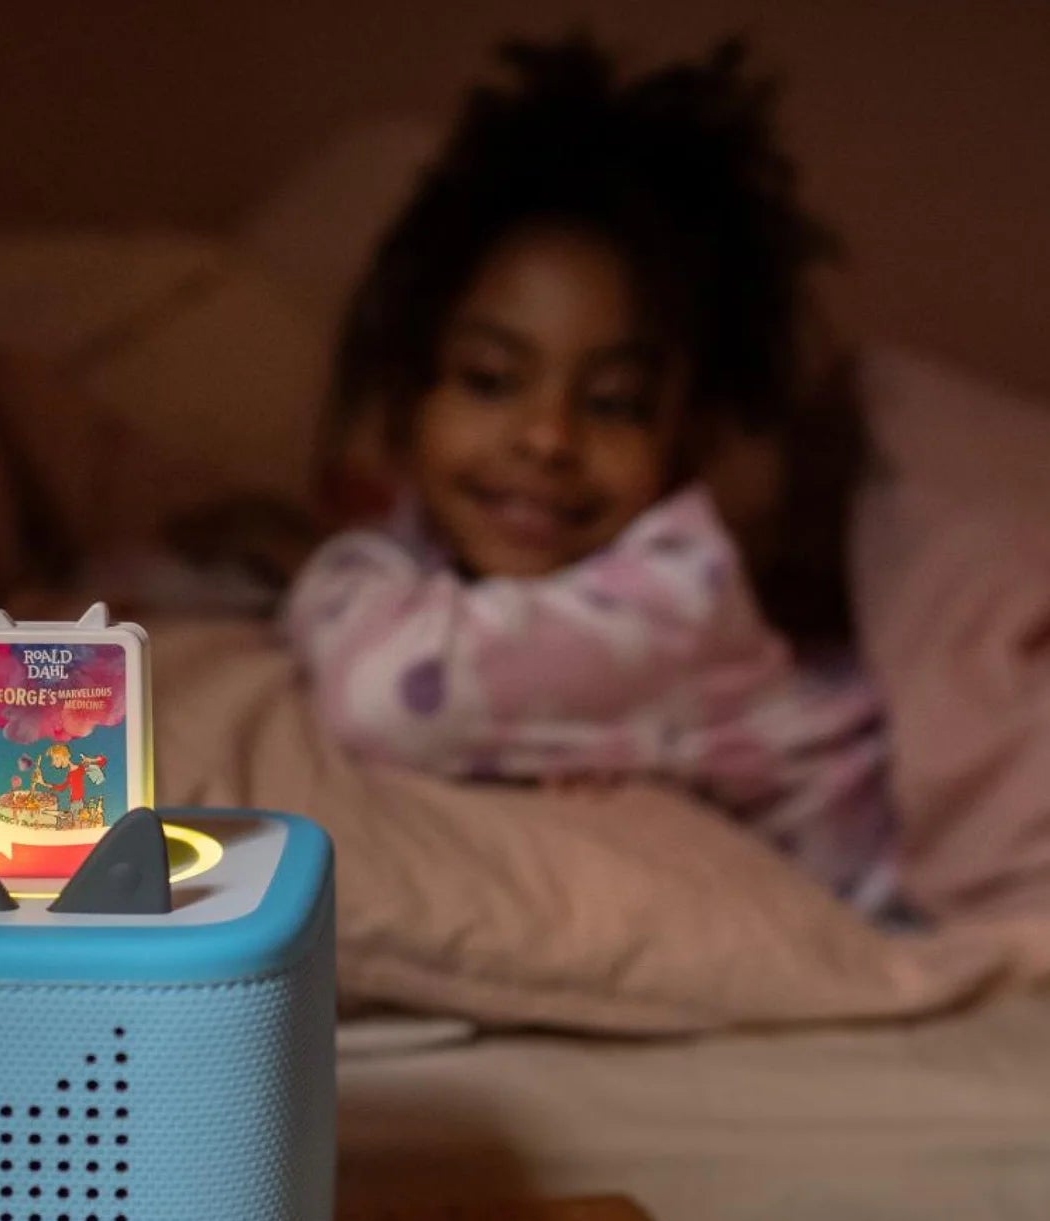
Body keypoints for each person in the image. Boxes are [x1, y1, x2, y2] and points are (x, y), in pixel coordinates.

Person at [281, 35, 897, 914]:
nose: (548, 438)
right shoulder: (433, 552)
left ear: (686, 435)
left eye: (613, 402)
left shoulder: (677, 597)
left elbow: (382, 697)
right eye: (491, 381)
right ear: (408, 396)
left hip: (897, 880)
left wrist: (324, 559)